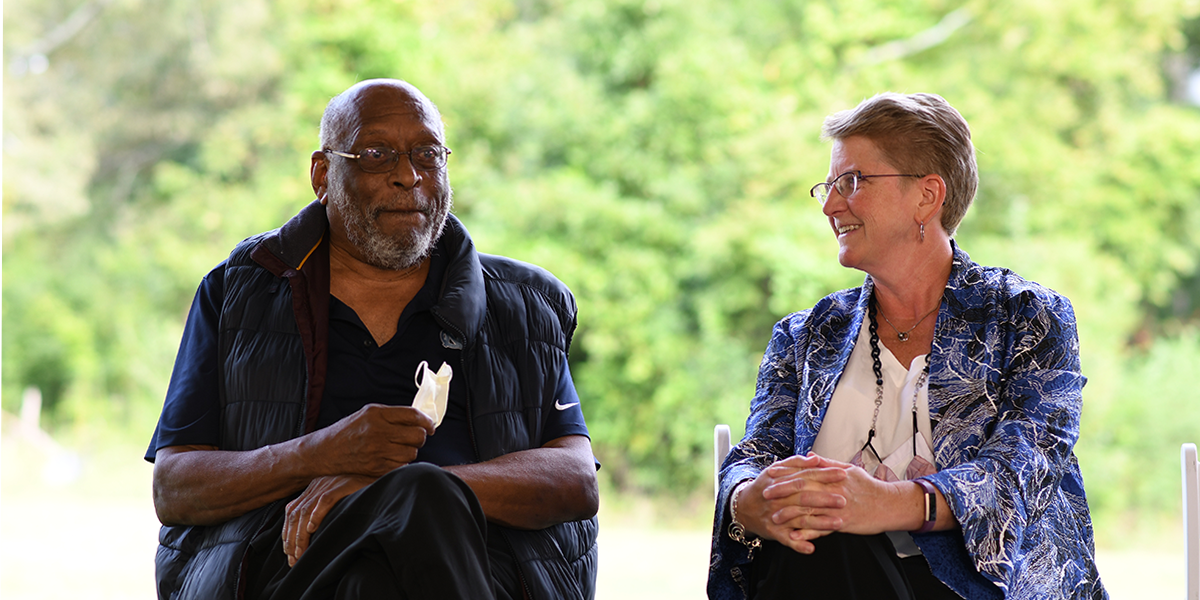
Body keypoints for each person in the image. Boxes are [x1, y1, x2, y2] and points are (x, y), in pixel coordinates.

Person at [146, 78, 600, 600]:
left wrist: (398, 491)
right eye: (376, 154)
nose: (408, 176)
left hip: (480, 569)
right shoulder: (239, 293)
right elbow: (175, 486)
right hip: (287, 566)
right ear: (322, 173)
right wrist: (320, 453)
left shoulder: (522, 306)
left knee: (379, 569)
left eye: (427, 154)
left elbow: (574, 479)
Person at [708, 93, 1106, 599]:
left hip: (976, 588)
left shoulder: (1028, 317)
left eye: (851, 182)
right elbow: (754, 456)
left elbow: (1020, 471)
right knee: (822, 549)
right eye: (829, 187)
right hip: (819, 577)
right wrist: (749, 500)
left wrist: (881, 504)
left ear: (927, 196)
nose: (831, 205)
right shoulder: (807, 335)